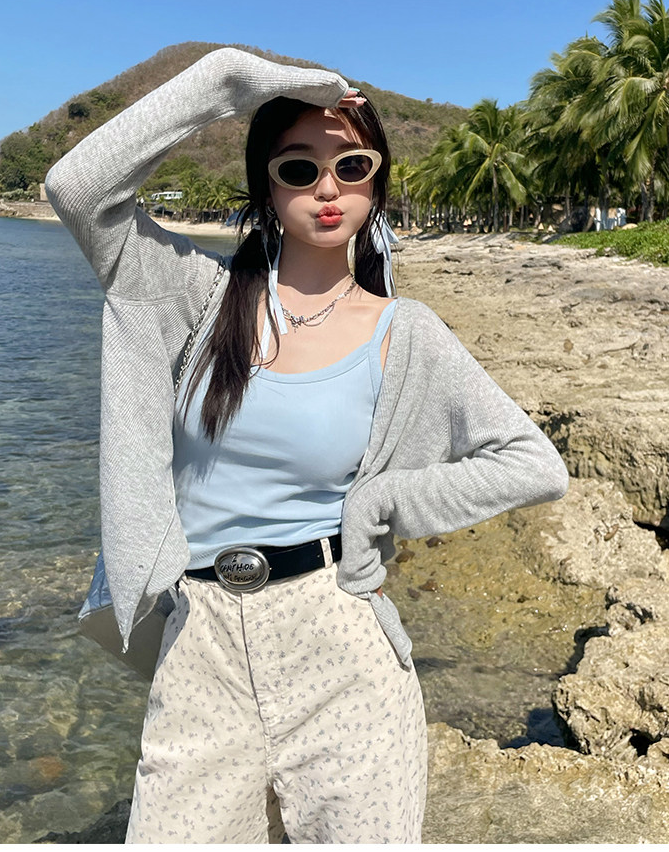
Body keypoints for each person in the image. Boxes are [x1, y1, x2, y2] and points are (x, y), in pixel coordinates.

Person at [45, 47, 569, 844]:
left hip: (343, 648)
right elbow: (77, 187)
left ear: (377, 183)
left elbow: (533, 464)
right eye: (299, 168)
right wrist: (230, 79)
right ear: (266, 186)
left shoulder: (405, 333)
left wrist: (383, 501)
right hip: (200, 645)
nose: (328, 188)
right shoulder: (197, 297)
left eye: (352, 166)